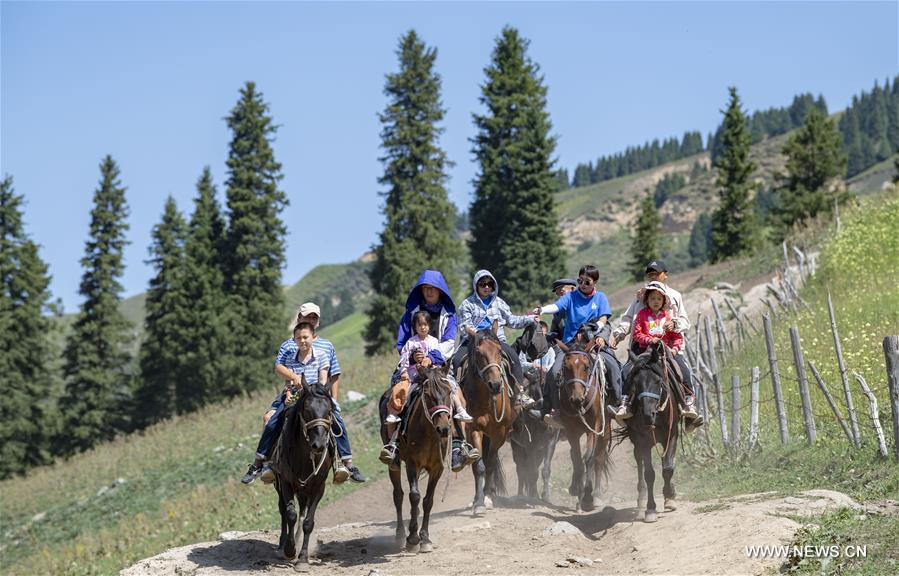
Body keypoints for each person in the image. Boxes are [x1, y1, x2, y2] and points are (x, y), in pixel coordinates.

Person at [390, 270, 478, 471]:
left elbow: (449, 343)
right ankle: (394, 446)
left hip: (440, 367)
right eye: (425, 288)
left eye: (433, 288)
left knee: (456, 395)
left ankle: (459, 447)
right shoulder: (411, 313)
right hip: (412, 366)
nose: (429, 291)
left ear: (440, 291)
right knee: (395, 396)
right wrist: (413, 357)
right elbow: (401, 342)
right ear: (421, 290)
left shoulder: (449, 315)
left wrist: (432, 357)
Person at [240, 322, 340, 485]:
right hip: (295, 396)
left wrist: (318, 394)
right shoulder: (289, 357)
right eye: (299, 338)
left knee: (337, 422)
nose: (302, 341)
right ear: (294, 340)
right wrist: (288, 393)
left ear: (313, 338)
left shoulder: (321, 355)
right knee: (272, 422)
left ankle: (343, 463)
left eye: (305, 337)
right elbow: (288, 382)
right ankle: (260, 463)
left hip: (315, 397)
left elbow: (323, 380)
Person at [609, 261, 701, 427]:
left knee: (684, 372)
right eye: (650, 274)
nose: (653, 276)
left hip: (668, 347)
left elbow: (685, 322)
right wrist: (618, 334)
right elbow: (629, 319)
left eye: (656, 273)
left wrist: (675, 326)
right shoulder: (640, 298)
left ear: (665, 275)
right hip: (642, 347)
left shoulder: (675, 296)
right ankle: (625, 406)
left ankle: (688, 410)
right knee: (626, 371)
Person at [532, 265, 623, 428]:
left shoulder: (601, 297)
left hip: (593, 344)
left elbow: (604, 318)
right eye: (580, 281)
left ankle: (618, 403)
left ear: (595, 282)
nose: (583, 285)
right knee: (553, 372)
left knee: (614, 365)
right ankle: (554, 409)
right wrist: (542, 309)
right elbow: (557, 306)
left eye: (587, 282)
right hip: (570, 346)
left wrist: (599, 330)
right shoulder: (571, 297)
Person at [380, 310, 471, 463]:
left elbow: (440, 358)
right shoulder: (411, 343)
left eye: (425, 324)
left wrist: (434, 364)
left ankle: (459, 410)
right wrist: (404, 372)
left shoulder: (434, 342)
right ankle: (394, 428)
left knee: (450, 387)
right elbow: (403, 361)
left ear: (429, 326)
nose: (422, 327)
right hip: (415, 375)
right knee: (403, 392)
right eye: (419, 325)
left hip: (433, 375)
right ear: (414, 326)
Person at [455, 270, 537, 408]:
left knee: (514, 358)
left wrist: (529, 319)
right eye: (482, 284)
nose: (486, 287)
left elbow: (511, 320)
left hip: (496, 340)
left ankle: (519, 393)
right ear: (476, 286)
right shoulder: (467, 304)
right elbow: (464, 327)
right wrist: (480, 336)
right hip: (473, 341)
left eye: (489, 284)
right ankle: (457, 398)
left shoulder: (499, 302)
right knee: (456, 361)